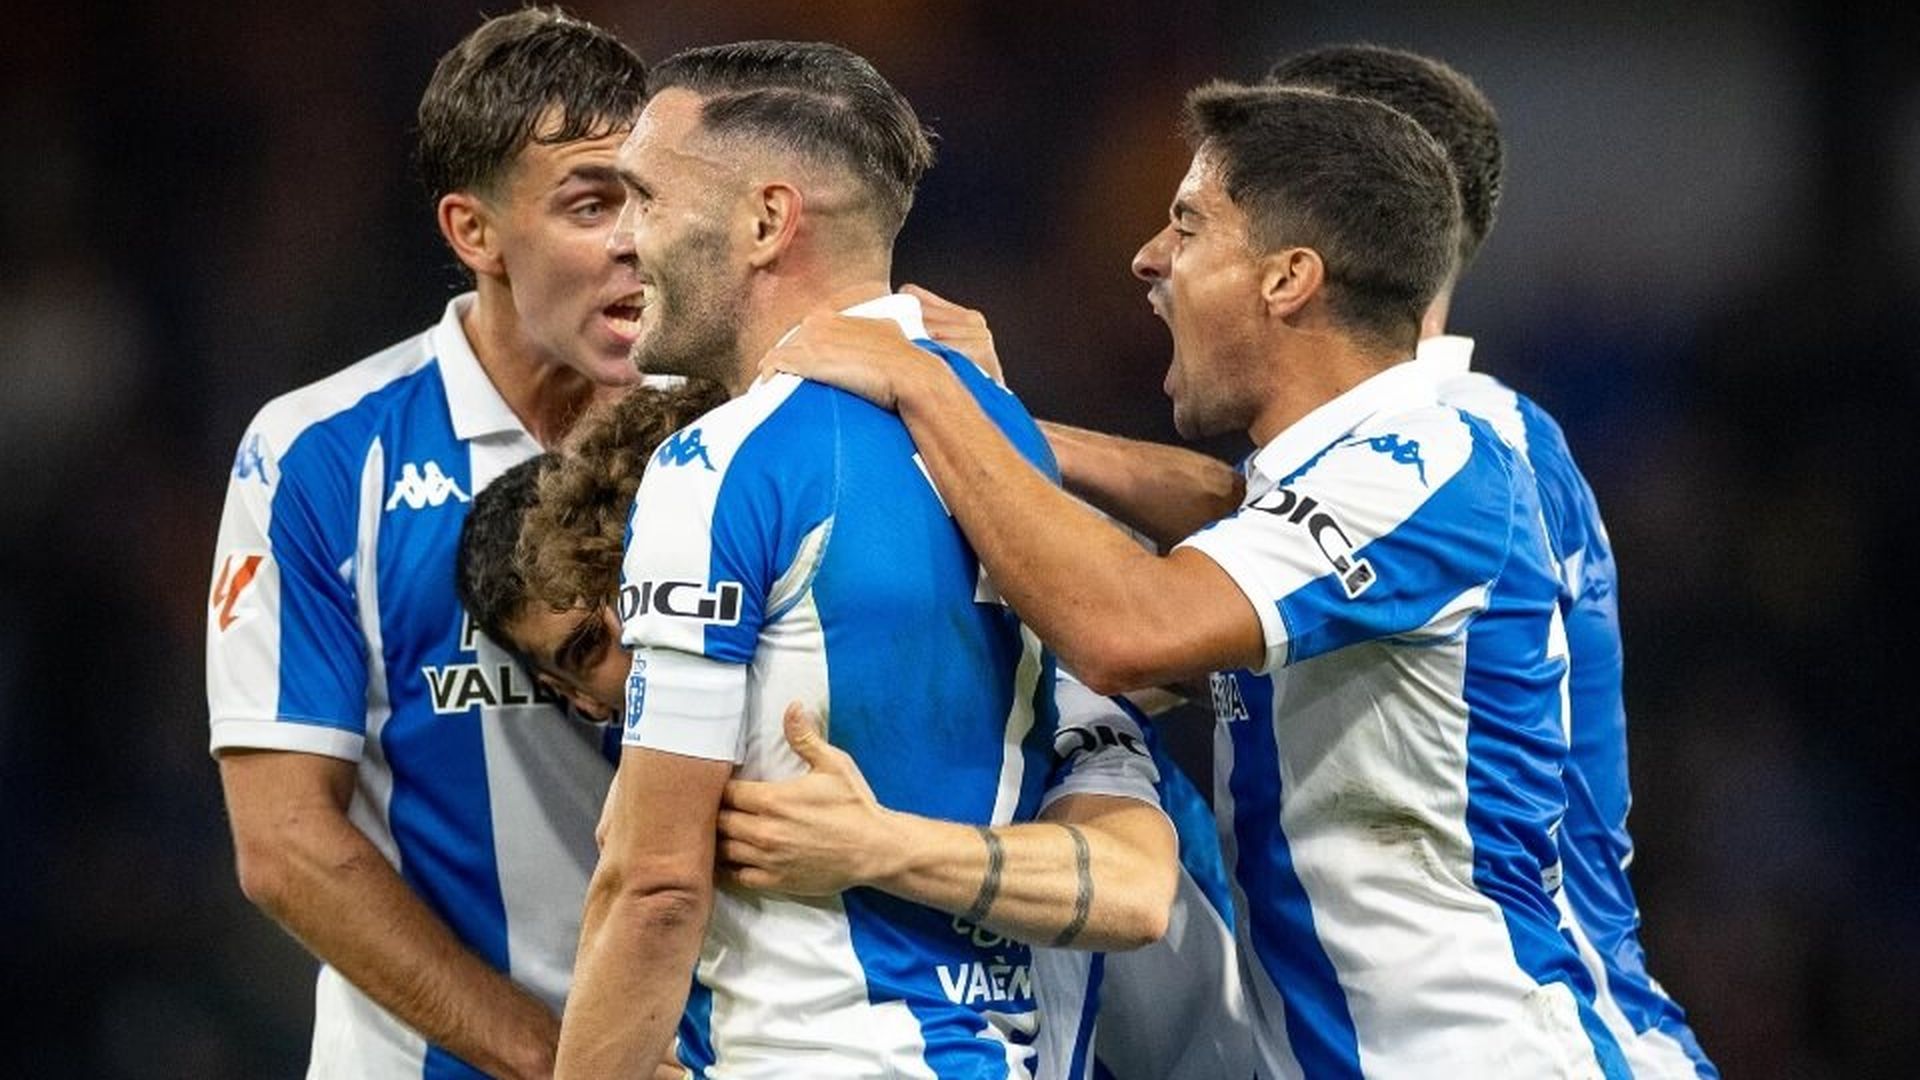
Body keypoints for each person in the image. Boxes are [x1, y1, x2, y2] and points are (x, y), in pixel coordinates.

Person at [764, 83, 1635, 1076]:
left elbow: (1124, 629)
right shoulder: (1345, 474)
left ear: (1288, 279)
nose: (1148, 255)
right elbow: (1223, 507)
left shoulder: (1428, 454)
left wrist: (924, 387)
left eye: (1189, 223)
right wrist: (996, 422)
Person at [551, 41, 1176, 1078]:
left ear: (765, 221)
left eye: (645, 199)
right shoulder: (1010, 447)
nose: (623, 241)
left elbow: (653, 886)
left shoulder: (727, 463)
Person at [457, 374, 1234, 1078]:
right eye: (594, 647)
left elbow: (1135, 892)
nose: (649, 639)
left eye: (654, 600)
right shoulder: (659, 797)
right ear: (576, 700)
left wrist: (876, 846)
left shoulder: (1014, 667)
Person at [205, 11, 647, 1077]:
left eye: (653, 196)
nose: (637, 238)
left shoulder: (731, 426)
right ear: (473, 233)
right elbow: (285, 846)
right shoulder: (319, 455)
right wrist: (553, 1059)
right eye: (592, 203)